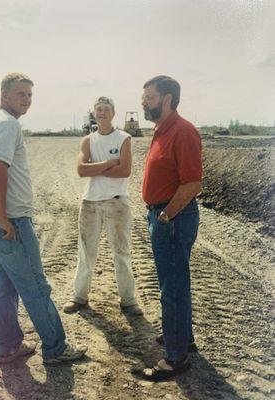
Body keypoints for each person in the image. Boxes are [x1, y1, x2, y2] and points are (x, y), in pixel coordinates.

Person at [0, 73, 87, 365]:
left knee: (4, 284)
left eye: (29, 95)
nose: (26, 100)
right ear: (4, 95)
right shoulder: (7, 124)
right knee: (35, 285)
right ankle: (55, 347)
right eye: (20, 94)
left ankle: (9, 346)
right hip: (10, 223)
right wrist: (3, 219)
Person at [140, 76, 202, 381]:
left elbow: (192, 183)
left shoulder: (183, 131)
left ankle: (176, 359)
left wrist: (164, 216)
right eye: (144, 97)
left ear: (167, 99)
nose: (143, 102)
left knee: (173, 289)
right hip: (164, 216)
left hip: (173, 219)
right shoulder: (161, 130)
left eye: (149, 97)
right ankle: (182, 336)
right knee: (175, 282)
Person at [63, 96, 142, 316]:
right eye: (98, 109)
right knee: (86, 252)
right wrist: (108, 164)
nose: (102, 113)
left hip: (117, 202)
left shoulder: (124, 138)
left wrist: (93, 168)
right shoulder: (88, 140)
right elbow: (80, 170)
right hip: (90, 202)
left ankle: (128, 300)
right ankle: (79, 296)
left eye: (106, 109)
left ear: (113, 113)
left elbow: (125, 170)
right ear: (94, 113)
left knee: (121, 252)